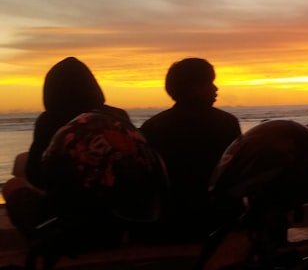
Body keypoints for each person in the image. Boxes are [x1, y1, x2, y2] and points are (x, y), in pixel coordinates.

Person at [3, 57, 132, 240]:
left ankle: (40, 238)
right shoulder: (117, 115)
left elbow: (36, 176)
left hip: (69, 224)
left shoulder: (50, 120)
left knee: (13, 184)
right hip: (118, 220)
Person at [140, 58, 242, 240]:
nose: (216, 88)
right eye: (209, 83)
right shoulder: (225, 123)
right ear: (194, 87)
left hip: (169, 223)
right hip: (218, 221)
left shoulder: (152, 126)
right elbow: (235, 173)